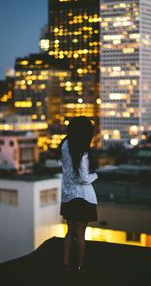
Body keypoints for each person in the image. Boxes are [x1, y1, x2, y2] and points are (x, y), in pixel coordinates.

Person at [57, 116, 98, 274]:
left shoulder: (65, 145)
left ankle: (65, 263)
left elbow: (65, 169)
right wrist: (95, 176)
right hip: (82, 197)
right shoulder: (82, 150)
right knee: (80, 233)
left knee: (70, 231)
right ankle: (80, 268)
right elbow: (83, 178)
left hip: (67, 195)